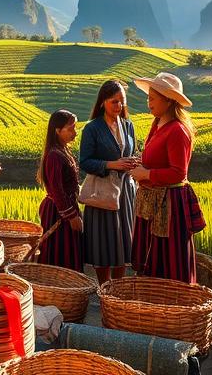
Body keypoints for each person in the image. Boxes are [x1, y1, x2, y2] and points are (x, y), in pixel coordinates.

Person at [130, 73, 206, 284]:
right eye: (149, 98)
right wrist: (141, 165)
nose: (149, 103)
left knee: (169, 259)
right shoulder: (157, 124)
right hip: (153, 201)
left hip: (170, 205)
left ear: (169, 100)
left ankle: (172, 298)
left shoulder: (177, 131)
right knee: (151, 255)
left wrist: (146, 174)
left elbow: (178, 172)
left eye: (153, 98)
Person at [79, 79, 138, 284]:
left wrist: (133, 162)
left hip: (125, 192)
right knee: (102, 242)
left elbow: (132, 152)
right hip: (102, 193)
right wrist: (112, 164)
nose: (119, 106)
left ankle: (118, 287)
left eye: (122, 101)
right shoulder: (92, 128)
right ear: (103, 102)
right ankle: (104, 286)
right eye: (114, 101)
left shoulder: (128, 126)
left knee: (123, 241)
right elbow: (85, 162)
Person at [37, 110, 84, 272]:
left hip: (64, 209)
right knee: (60, 253)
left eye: (75, 128)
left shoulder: (61, 151)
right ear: (58, 130)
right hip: (58, 213)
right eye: (70, 129)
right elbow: (57, 190)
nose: (75, 132)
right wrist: (71, 216)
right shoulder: (54, 156)